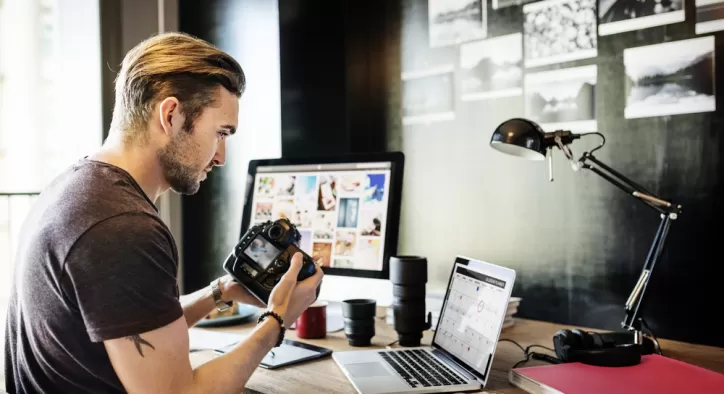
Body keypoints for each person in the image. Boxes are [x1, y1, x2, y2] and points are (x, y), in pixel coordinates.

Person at [4, 32, 323, 394]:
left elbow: (130, 324)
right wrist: (277, 320)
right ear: (171, 115)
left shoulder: (76, 189)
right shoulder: (123, 228)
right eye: (220, 133)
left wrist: (222, 291)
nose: (221, 157)